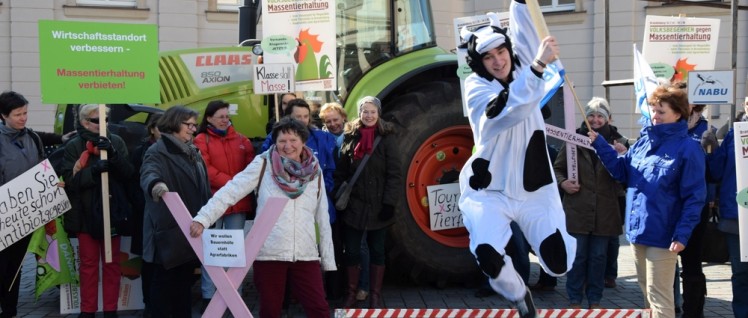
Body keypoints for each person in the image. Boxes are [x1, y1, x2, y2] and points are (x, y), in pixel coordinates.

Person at [456, 2, 576, 316]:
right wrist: (537, 68)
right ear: (478, 62)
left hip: (534, 187)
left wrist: (521, 3)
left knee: (558, 263)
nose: (498, 60)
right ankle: (519, 293)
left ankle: (545, 259)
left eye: (501, 51)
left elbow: (526, 27)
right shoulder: (476, 87)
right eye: (488, 56)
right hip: (489, 191)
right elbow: (507, 111)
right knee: (488, 255)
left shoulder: (523, 65)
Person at [190, 117, 335, 318]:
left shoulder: (314, 170)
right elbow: (231, 191)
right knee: (270, 311)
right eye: (282, 141)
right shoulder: (263, 164)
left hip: (305, 253)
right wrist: (203, 218)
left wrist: (328, 259)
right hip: (269, 253)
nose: (288, 146)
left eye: (293, 140)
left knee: (319, 309)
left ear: (303, 141)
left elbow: (322, 216)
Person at [588, 84, 705, 318]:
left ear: (678, 113)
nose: (655, 115)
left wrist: (682, 234)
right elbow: (622, 171)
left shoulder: (689, 148)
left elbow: (695, 197)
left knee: (660, 297)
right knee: (648, 296)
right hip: (638, 231)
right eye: (653, 110)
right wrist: (601, 145)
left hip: (665, 234)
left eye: (661, 111)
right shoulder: (643, 142)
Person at [60, 104, 134, 318]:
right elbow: (69, 180)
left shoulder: (116, 141)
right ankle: (87, 311)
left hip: (112, 211)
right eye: (96, 120)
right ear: (84, 122)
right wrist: (92, 172)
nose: (103, 124)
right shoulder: (75, 145)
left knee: (112, 264)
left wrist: (112, 155)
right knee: (89, 265)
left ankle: (111, 310)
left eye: (106, 119)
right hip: (85, 215)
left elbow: (128, 174)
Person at [553, 97, 626, 309]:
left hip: (606, 211)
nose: (595, 119)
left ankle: (595, 299)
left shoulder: (619, 141)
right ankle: (575, 298)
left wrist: (624, 156)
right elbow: (558, 169)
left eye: (600, 115)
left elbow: (626, 175)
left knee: (598, 257)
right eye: (591, 115)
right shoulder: (572, 139)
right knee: (577, 256)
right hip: (578, 209)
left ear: (608, 118)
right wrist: (563, 183)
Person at [140, 106, 210, 317]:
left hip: (189, 229)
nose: (193, 129)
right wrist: (156, 184)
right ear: (173, 124)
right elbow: (148, 173)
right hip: (167, 231)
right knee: (163, 288)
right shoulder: (158, 150)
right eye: (188, 124)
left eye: (194, 125)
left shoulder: (192, 151)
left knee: (183, 287)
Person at [335, 96, 401, 308]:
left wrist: (389, 204)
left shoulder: (387, 138)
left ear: (378, 113)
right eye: (365, 112)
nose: (369, 115)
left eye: (373, 112)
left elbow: (394, 174)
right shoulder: (350, 136)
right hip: (354, 205)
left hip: (379, 205)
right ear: (359, 113)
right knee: (352, 250)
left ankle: (374, 295)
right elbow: (341, 171)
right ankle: (352, 294)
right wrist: (339, 191)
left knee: (377, 250)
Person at [193, 100, 255, 307]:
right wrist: (234, 185)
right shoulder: (201, 140)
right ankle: (209, 295)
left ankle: (233, 295)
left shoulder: (242, 140)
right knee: (211, 251)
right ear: (209, 118)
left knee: (234, 252)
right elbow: (206, 170)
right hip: (212, 203)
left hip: (238, 204)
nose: (224, 120)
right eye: (220, 116)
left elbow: (251, 168)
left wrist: (237, 188)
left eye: (226, 116)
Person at [0, 91, 46, 318]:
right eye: (17, 114)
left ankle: (10, 310)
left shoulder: (32, 138)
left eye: (25, 112)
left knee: (15, 268)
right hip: (2, 214)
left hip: (25, 214)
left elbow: (40, 168)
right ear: (3, 115)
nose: (23, 118)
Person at [703, 121, 748, 318]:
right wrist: (711, 149)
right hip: (737, 217)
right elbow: (716, 172)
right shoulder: (734, 134)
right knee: (741, 274)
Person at [127, 113, 162, 316]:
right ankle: (148, 302)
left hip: (166, 217)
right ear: (151, 129)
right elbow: (132, 183)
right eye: (160, 128)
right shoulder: (141, 152)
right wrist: (145, 204)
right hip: (145, 214)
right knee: (148, 261)